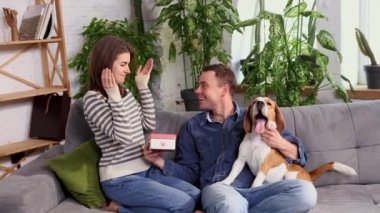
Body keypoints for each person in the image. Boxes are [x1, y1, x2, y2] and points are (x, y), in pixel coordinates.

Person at [144, 64, 317, 212]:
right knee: (230, 205)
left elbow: (299, 156)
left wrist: (279, 142)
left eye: (204, 86)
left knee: (306, 193)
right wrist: (158, 161)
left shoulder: (254, 117)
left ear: (224, 89)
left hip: (258, 191)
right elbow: (189, 173)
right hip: (221, 190)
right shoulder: (193, 127)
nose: (197, 91)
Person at [83, 35, 200, 213]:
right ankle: (121, 210)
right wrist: (113, 97)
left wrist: (143, 87)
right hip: (120, 179)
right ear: (106, 64)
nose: (128, 70)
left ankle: (123, 207)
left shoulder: (125, 93)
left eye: (128, 64)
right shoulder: (93, 99)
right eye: (123, 64)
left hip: (145, 171)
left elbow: (148, 123)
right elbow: (124, 136)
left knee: (195, 194)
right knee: (183, 204)